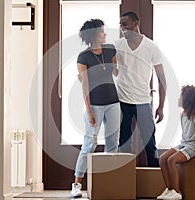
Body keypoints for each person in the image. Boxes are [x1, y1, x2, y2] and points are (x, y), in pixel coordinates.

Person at [71, 19, 120, 198]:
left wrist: (118, 67)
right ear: (93, 35)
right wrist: (89, 111)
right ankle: (76, 184)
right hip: (95, 105)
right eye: (101, 32)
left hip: (113, 102)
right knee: (90, 144)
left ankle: (109, 181)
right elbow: (85, 85)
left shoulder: (110, 49)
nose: (105, 34)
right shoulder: (83, 57)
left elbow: (115, 72)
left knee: (112, 143)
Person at [115, 11, 166, 167]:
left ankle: (154, 183)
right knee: (124, 143)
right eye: (120, 24)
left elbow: (161, 78)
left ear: (135, 24)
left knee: (150, 143)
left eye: (125, 24)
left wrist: (161, 106)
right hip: (122, 100)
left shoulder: (151, 47)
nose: (122, 28)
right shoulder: (118, 45)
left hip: (143, 102)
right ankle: (125, 183)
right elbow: (112, 69)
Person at [157, 85, 195, 200]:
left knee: (172, 160)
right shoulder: (182, 114)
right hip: (184, 144)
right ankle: (169, 189)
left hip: (193, 146)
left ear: (186, 99)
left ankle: (176, 192)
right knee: (162, 159)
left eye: (180, 96)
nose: (178, 98)